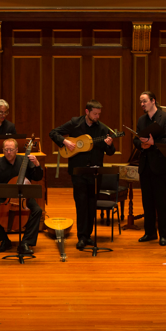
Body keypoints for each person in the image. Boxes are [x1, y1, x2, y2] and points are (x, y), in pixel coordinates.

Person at [49, 100, 116, 249]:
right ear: (87, 112)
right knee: (81, 204)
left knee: (91, 205)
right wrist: (65, 142)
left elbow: (110, 152)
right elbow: (53, 132)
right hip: (78, 172)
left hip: (95, 173)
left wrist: (110, 144)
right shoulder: (75, 123)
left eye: (99, 114)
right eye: (95, 113)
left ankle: (88, 236)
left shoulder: (102, 129)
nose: (97, 116)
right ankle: (81, 236)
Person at [0, 138, 43, 254]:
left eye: (11, 149)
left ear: (16, 150)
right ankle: (4, 240)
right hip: (4, 198)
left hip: (23, 198)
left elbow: (38, 177)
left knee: (37, 210)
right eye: (6, 150)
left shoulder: (25, 161)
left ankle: (26, 242)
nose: (9, 152)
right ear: (3, 150)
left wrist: (37, 164)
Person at [133, 91, 166, 247]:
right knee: (147, 201)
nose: (142, 104)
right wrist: (141, 144)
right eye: (140, 102)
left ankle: (163, 234)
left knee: (161, 202)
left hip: (160, 165)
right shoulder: (142, 120)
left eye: (144, 101)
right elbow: (135, 139)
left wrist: (153, 143)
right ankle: (150, 232)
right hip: (145, 166)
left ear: (153, 101)